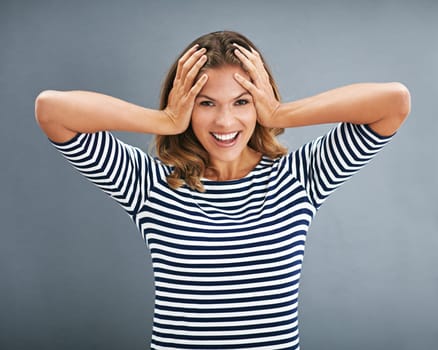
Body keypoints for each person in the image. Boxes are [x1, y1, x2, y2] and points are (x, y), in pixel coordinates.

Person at [35, 30, 410, 350]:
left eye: (242, 102)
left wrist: (281, 113)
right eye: (206, 103)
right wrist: (162, 120)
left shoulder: (300, 176)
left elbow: (394, 102)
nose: (225, 120)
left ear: (259, 103)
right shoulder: (147, 183)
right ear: (185, 106)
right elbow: (52, 110)